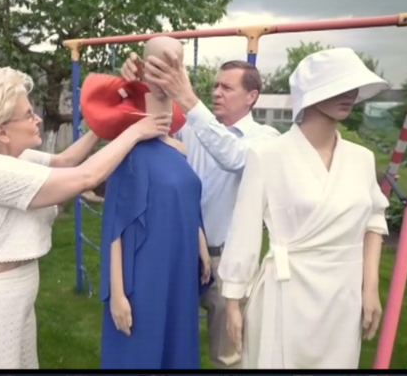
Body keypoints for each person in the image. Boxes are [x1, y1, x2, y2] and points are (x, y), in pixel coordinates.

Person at [0, 65, 171, 369]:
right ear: (1, 131)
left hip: (13, 297)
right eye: (28, 115)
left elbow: (65, 161)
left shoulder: (4, 151)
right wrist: (135, 131)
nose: (37, 119)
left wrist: (110, 117)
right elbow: (85, 177)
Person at [219, 47, 391, 368]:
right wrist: (232, 301)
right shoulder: (267, 156)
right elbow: (244, 232)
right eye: (340, 85)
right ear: (311, 92)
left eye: (353, 86)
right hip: (287, 291)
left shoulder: (362, 159)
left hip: (344, 297)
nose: (350, 94)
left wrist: (370, 288)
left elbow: (373, 221)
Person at [122, 48, 279, 369]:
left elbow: (233, 157)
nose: (217, 92)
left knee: (229, 356)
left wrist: (189, 99)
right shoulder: (191, 126)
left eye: (227, 87)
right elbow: (146, 127)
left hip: (228, 261)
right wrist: (137, 85)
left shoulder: (267, 139)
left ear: (252, 97)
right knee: (169, 344)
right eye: (216, 85)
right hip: (179, 253)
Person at [86, 37, 212, 369]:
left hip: (180, 264)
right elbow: (113, 226)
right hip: (145, 270)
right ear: (144, 68)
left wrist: (200, 244)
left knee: (177, 345)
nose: (168, 72)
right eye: (159, 64)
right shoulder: (129, 149)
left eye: (175, 64)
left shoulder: (180, 148)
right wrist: (117, 293)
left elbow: (187, 199)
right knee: (141, 349)